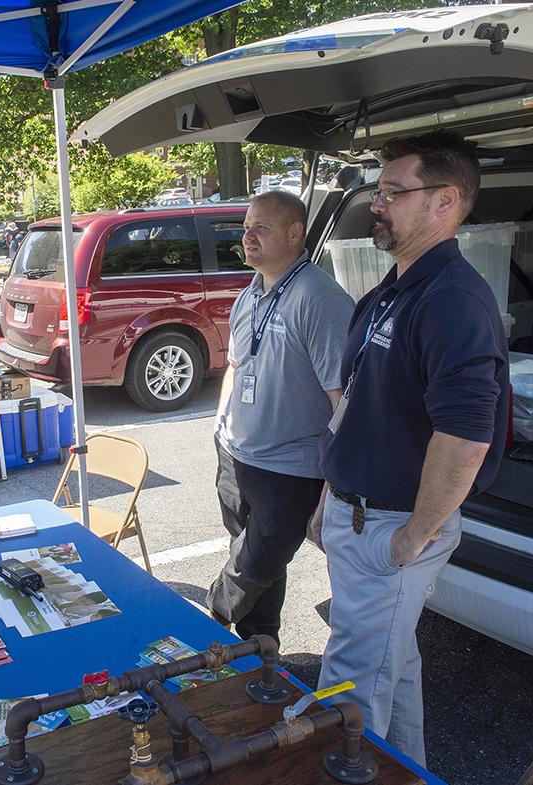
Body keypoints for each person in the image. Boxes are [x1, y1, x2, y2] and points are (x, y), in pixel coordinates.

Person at [315, 131, 509, 766]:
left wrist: (416, 535)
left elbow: (466, 435)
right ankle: (409, 772)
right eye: (379, 191)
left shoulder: (451, 299)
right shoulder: (389, 291)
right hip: (357, 516)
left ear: (445, 201)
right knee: (389, 669)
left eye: (393, 192)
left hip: (390, 528)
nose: (376, 204)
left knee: (346, 694)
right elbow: (354, 405)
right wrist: (330, 494)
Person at [206, 191, 354, 643]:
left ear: (295, 233)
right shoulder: (250, 294)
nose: (248, 237)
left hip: (290, 469)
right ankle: (259, 652)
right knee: (254, 565)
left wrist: (332, 486)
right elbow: (236, 366)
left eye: (261, 228)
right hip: (236, 456)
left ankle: (208, 618)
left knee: (253, 565)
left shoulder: (320, 298)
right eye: (246, 228)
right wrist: (220, 428)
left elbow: (344, 401)